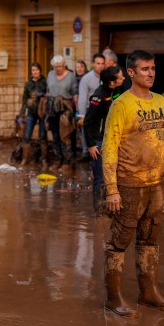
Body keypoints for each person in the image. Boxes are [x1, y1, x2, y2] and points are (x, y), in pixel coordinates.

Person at [101, 50, 164, 318]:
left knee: (150, 240)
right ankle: (113, 298)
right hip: (128, 184)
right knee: (119, 241)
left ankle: (148, 293)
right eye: (145, 69)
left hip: (154, 184)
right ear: (131, 73)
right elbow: (109, 148)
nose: (151, 73)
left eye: (153, 68)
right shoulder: (121, 105)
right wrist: (112, 190)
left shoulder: (160, 101)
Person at [83, 65, 126, 214]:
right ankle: (99, 211)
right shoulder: (98, 96)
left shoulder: (116, 91)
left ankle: (111, 208)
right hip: (98, 142)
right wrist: (90, 145)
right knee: (100, 177)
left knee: (114, 174)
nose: (124, 78)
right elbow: (87, 122)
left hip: (113, 139)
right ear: (112, 82)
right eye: (121, 77)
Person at [46, 55, 78, 165]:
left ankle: (67, 162)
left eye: (59, 66)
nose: (57, 68)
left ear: (63, 65)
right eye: (55, 66)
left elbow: (74, 93)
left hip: (65, 108)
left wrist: (76, 110)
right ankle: (57, 159)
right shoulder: (50, 74)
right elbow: (48, 91)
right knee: (55, 135)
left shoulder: (70, 76)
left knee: (65, 135)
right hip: (52, 108)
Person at [77, 53, 106, 160]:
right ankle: (87, 153)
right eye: (98, 63)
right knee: (88, 132)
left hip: (104, 112)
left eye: (103, 63)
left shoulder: (107, 77)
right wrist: (82, 115)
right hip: (90, 111)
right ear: (93, 64)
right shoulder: (86, 78)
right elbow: (82, 98)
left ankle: (100, 154)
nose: (101, 66)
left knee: (101, 134)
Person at [20, 63, 47, 163]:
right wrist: (21, 115)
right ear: (31, 72)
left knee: (42, 136)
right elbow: (24, 100)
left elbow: (48, 94)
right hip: (31, 113)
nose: (35, 72)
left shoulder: (45, 82)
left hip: (42, 113)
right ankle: (25, 158)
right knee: (27, 135)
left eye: (37, 70)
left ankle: (44, 159)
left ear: (40, 70)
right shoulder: (28, 84)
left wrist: (42, 95)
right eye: (33, 70)